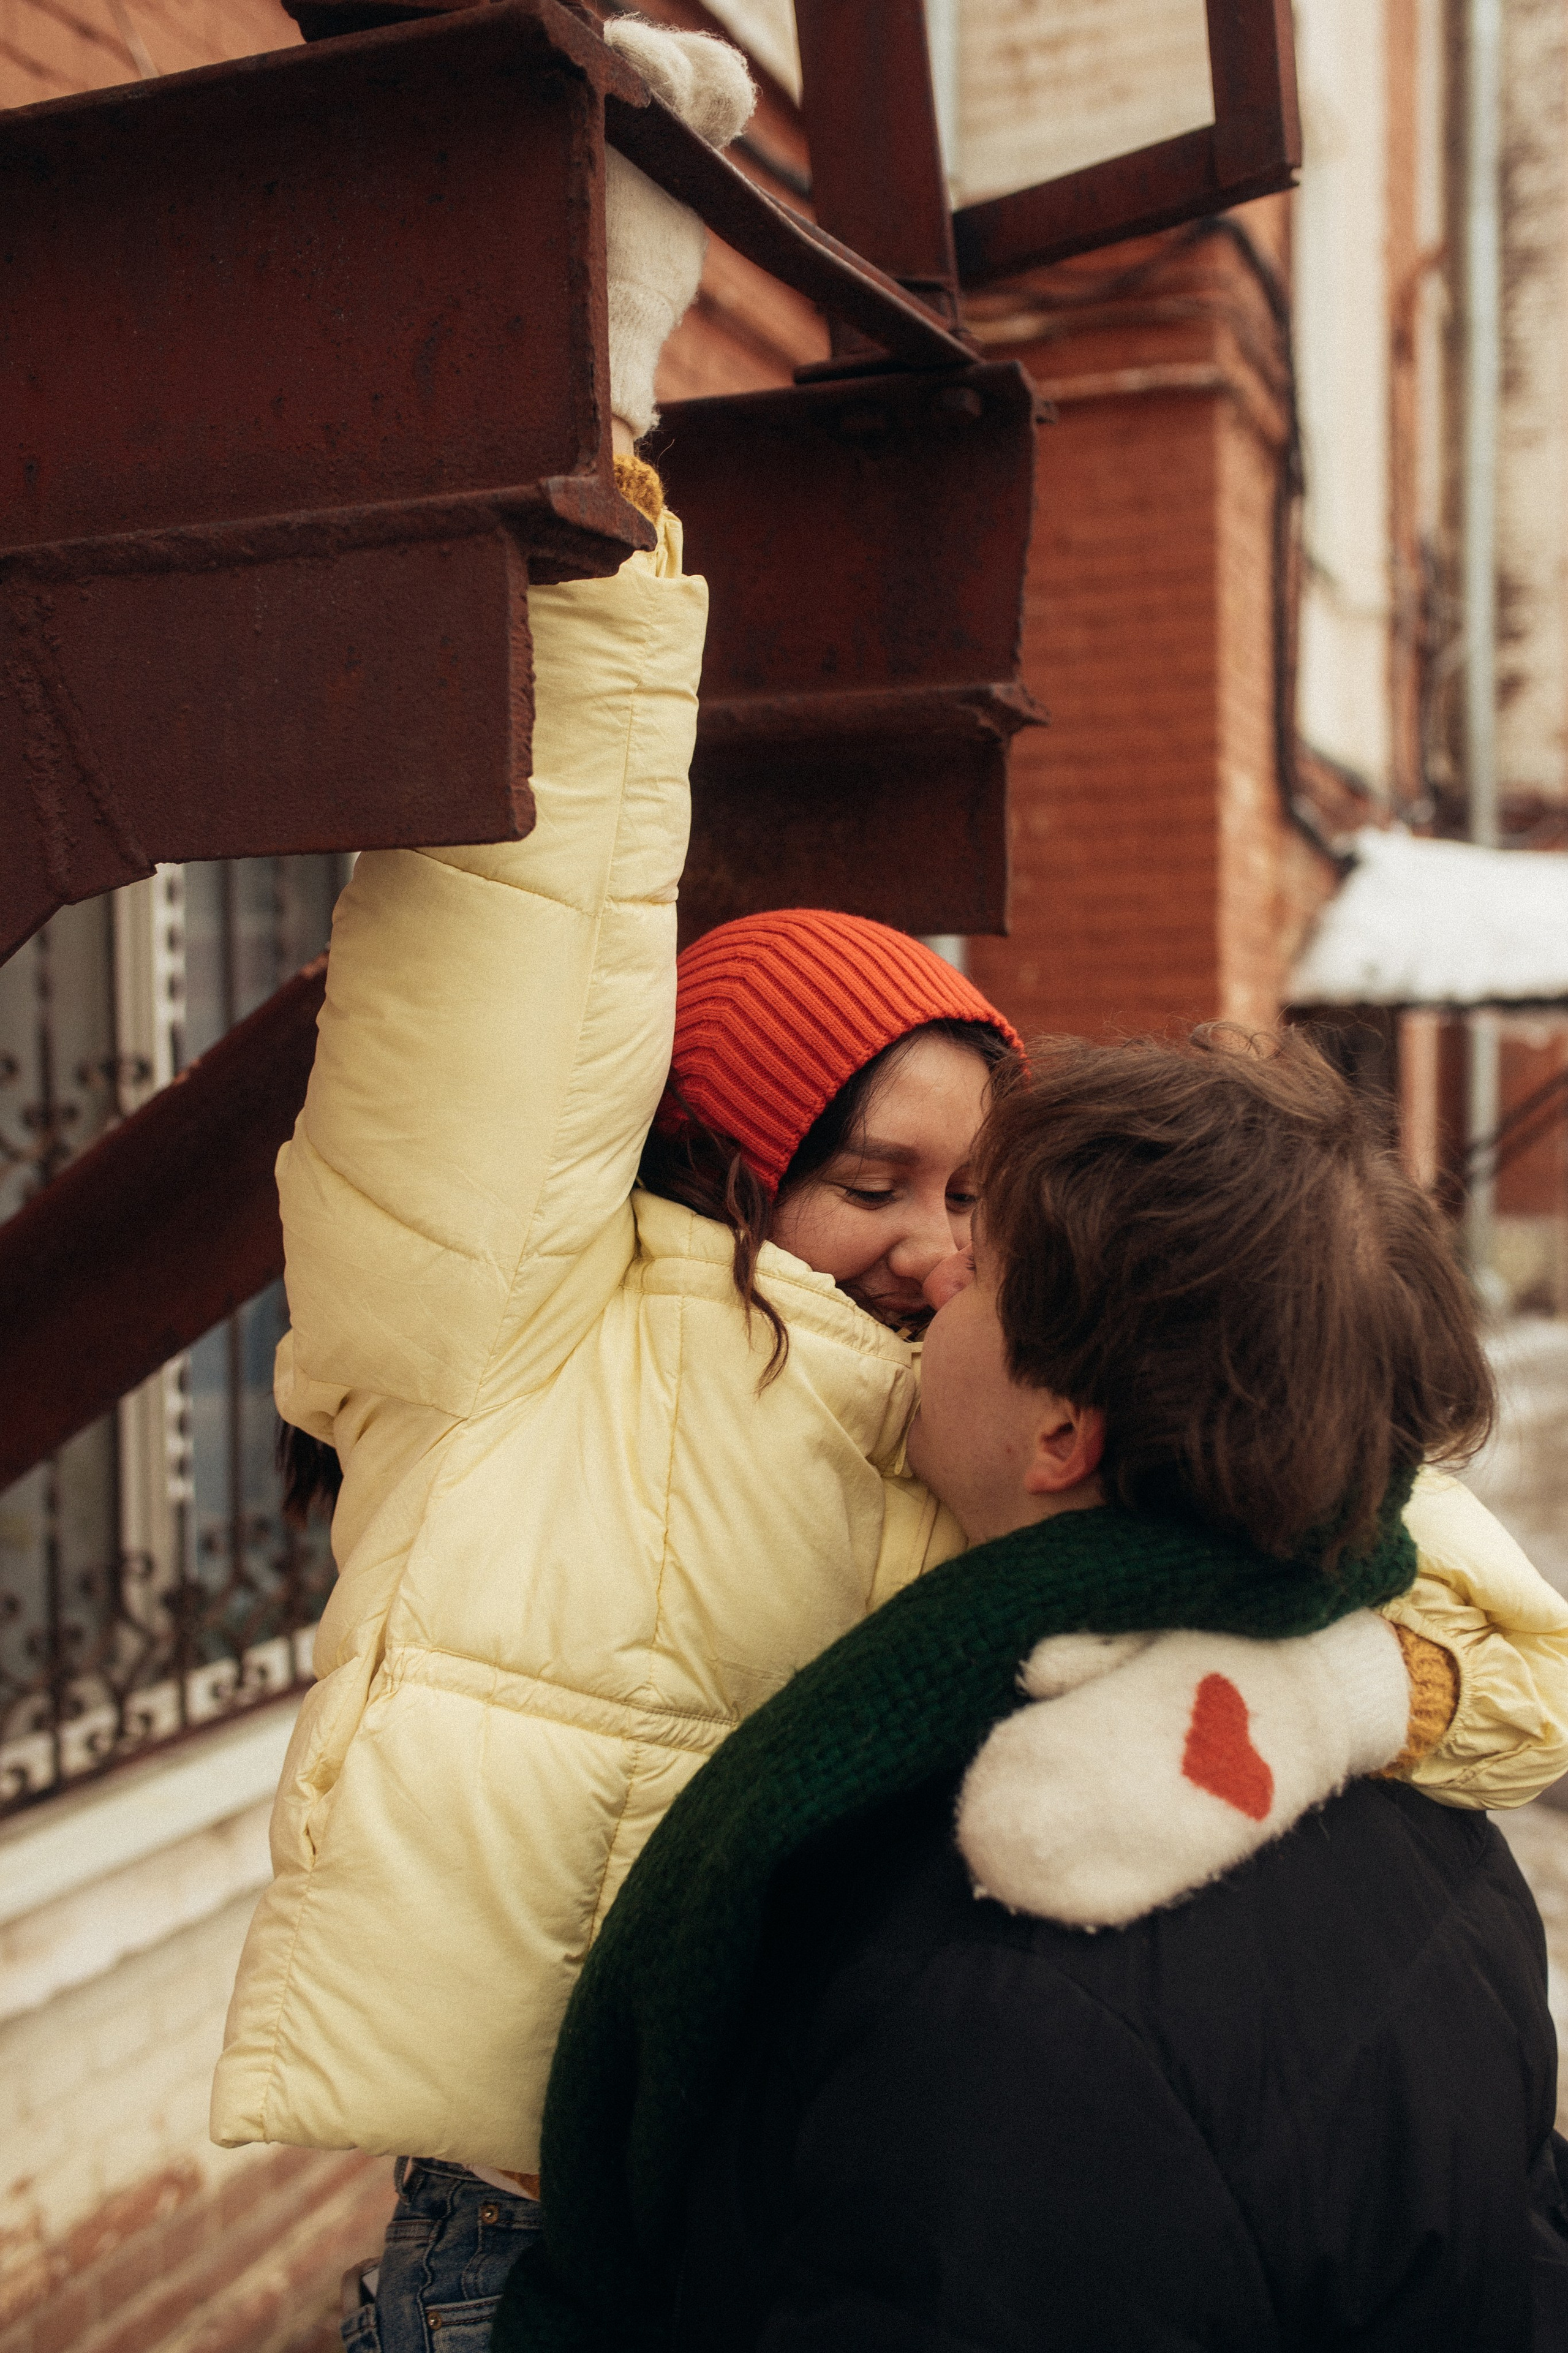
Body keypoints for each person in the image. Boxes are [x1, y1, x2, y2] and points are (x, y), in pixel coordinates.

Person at [209, 15, 1568, 2347]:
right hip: (539, 2230)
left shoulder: (976, 1415)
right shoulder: (532, 1329)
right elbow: (514, 939)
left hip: (859, 2185)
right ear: (716, 1176)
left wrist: (1328, 1710)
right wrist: (591, 425)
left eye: (980, 1202)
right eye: (871, 1183)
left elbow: (1417, 1574)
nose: (938, 1250)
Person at [497, 1032, 1568, 2353]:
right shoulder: (1425, 1822)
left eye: (983, 1269)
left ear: (1061, 1432)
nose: (937, 1268)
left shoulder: (999, 1992)